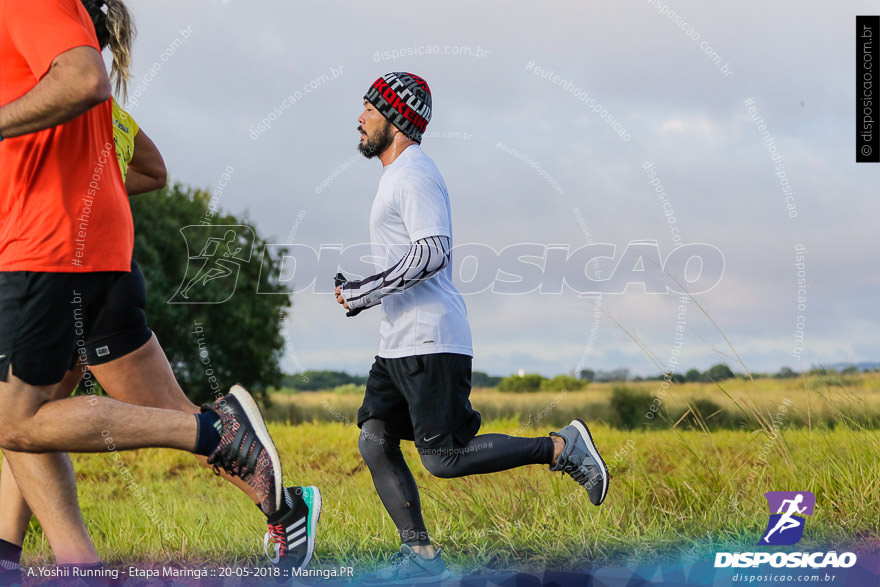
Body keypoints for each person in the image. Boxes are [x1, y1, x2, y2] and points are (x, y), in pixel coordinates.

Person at [0, 0, 303, 580]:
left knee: (19, 420)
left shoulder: (41, 33)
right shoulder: (79, 96)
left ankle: (220, 433)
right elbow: (148, 170)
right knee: (28, 417)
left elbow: (86, 85)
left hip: (53, 253)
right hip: (84, 252)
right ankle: (53, 563)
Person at [335, 72, 610, 583]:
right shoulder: (393, 177)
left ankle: (561, 446)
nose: (360, 117)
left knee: (443, 458)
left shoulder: (415, 173)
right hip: (398, 342)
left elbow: (432, 252)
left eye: (370, 108)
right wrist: (365, 292)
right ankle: (420, 556)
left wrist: (364, 291)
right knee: (374, 440)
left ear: (397, 119)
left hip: (430, 339)